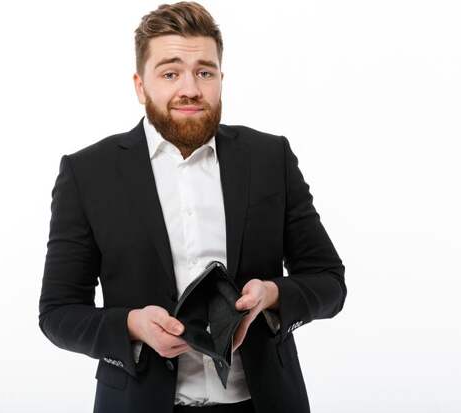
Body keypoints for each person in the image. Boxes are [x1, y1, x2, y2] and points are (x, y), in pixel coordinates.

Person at [38, 2, 346, 412]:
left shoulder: (270, 158)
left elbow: (329, 281)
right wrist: (132, 326)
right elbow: (58, 313)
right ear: (140, 86)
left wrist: (271, 295)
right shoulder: (88, 173)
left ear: (221, 79)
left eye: (205, 72)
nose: (190, 89)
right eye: (170, 73)